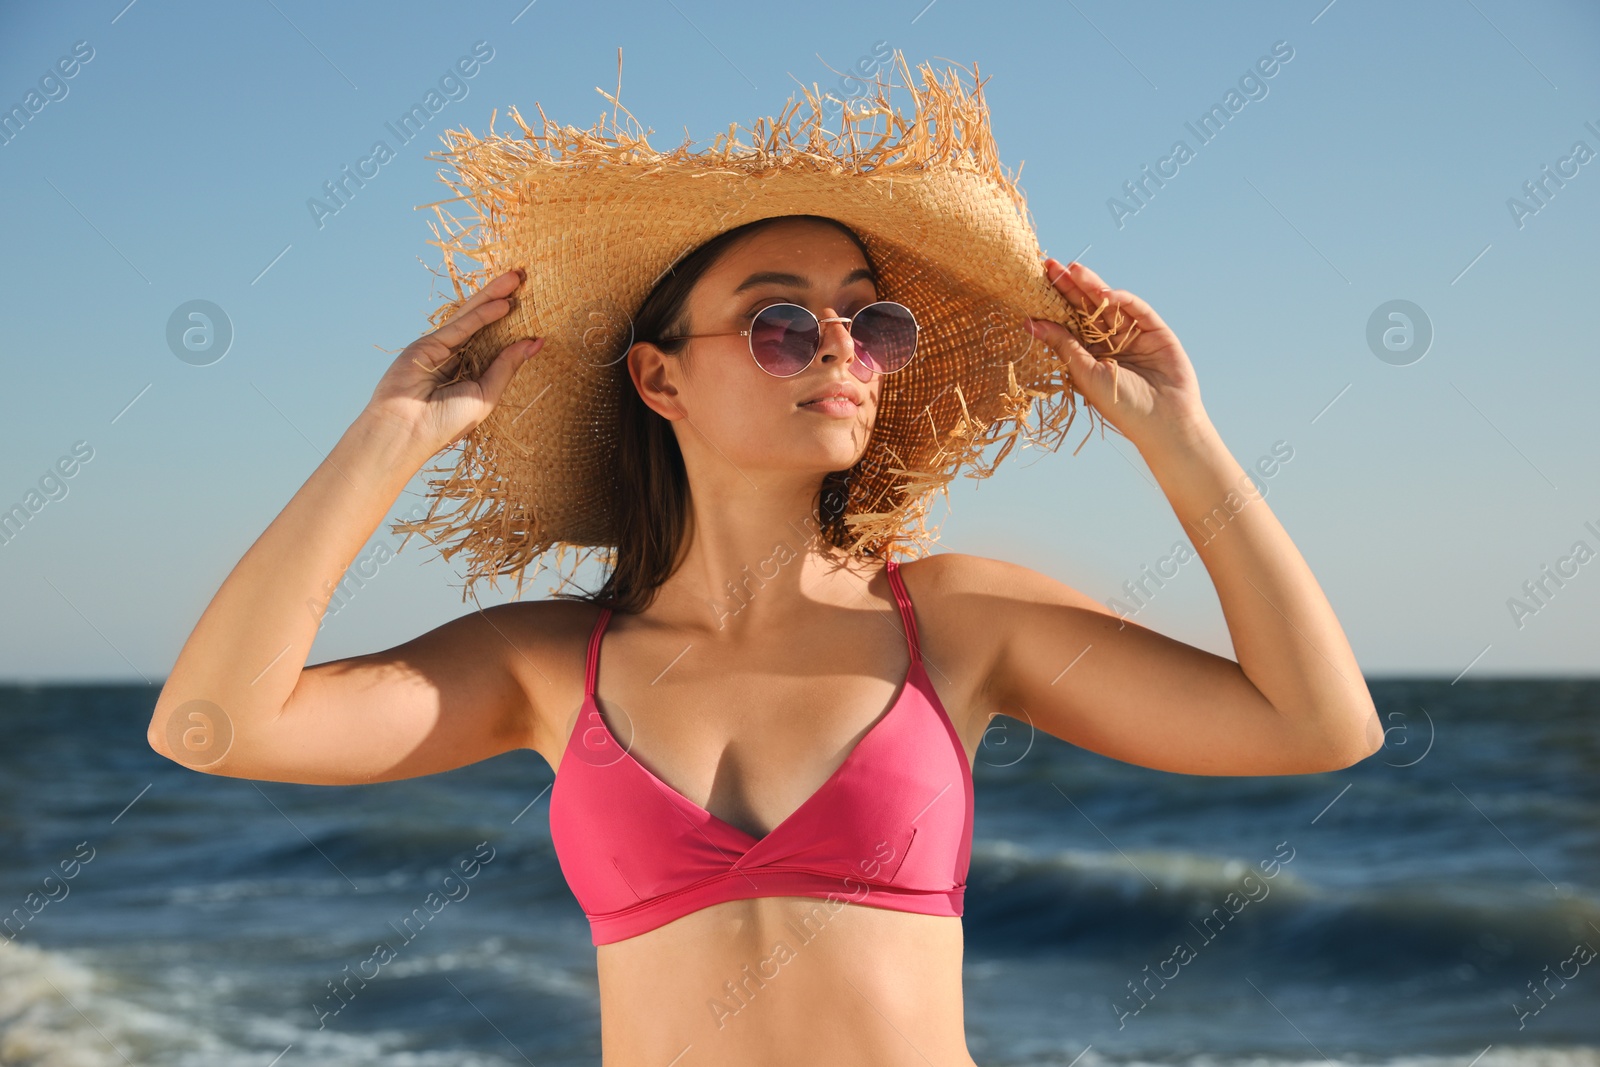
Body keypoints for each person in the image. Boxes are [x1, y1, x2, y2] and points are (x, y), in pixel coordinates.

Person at [148, 210, 1381, 1064]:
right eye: (780, 323)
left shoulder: (952, 620)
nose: (840, 346)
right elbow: (214, 724)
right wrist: (389, 439)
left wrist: (1181, 439)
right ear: (658, 377)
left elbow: (1315, 723)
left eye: (867, 322)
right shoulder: (543, 662)